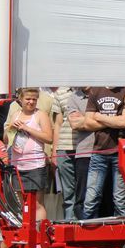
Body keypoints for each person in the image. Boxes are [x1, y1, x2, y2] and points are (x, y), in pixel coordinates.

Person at [81, 87, 125, 219]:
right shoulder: (96, 91)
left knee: (120, 199)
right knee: (91, 197)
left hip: (120, 153)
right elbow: (88, 123)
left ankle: (121, 234)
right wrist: (113, 121)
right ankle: (87, 232)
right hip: (99, 152)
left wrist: (99, 116)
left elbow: (124, 122)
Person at [6, 88, 53, 222]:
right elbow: (5, 138)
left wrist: (27, 129)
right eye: (28, 99)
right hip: (18, 164)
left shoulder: (40, 115)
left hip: (35, 164)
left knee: (37, 203)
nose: (31, 102)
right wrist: (11, 128)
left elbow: (49, 138)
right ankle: (26, 230)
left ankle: (39, 234)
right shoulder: (15, 114)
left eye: (34, 99)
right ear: (20, 99)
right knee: (23, 202)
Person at [67, 87, 94, 220]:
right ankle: (84, 225)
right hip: (84, 151)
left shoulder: (103, 93)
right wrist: (104, 120)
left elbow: (121, 120)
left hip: (106, 150)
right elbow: (75, 123)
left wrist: (85, 119)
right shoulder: (74, 97)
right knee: (82, 196)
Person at [51, 87, 77, 219]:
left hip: (86, 147)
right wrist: (55, 150)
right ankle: (69, 222)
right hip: (64, 147)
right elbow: (58, 124)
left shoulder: (91, 90)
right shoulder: (60, 93)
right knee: (68, 192)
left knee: (86, 193)